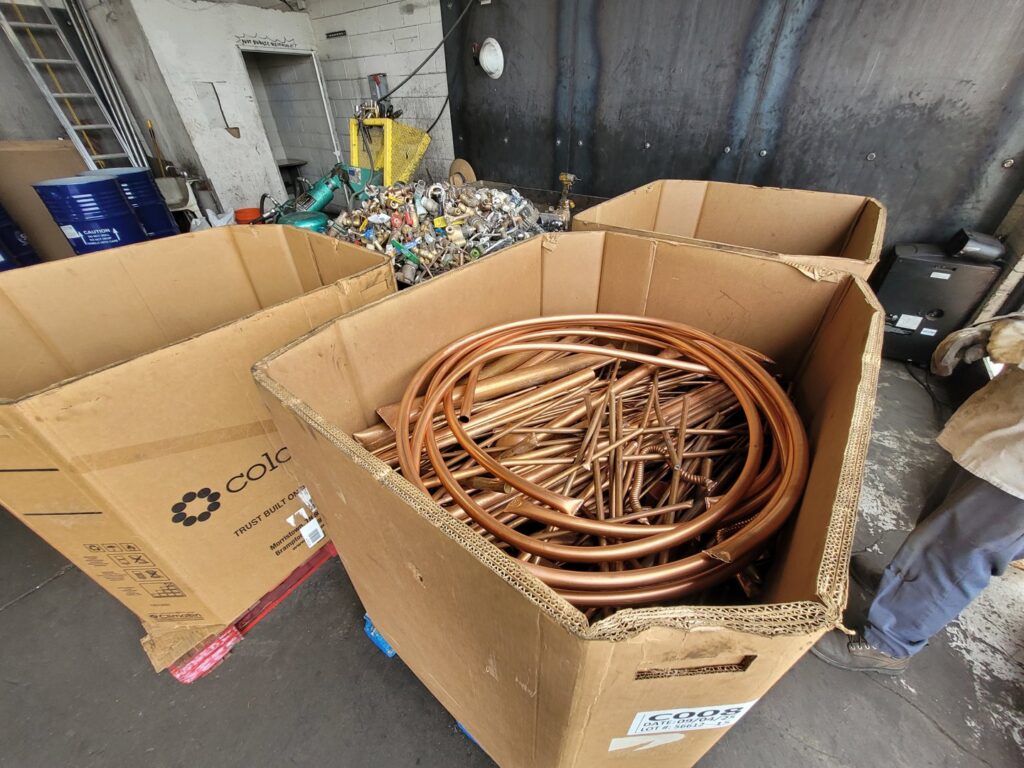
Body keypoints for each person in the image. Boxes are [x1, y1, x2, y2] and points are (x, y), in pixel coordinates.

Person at [812, 316, 1024, 674]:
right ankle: (902, 587)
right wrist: (1003, 329)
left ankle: (886, 644)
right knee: (942, 517)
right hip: (1010, 435)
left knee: (959, 546)